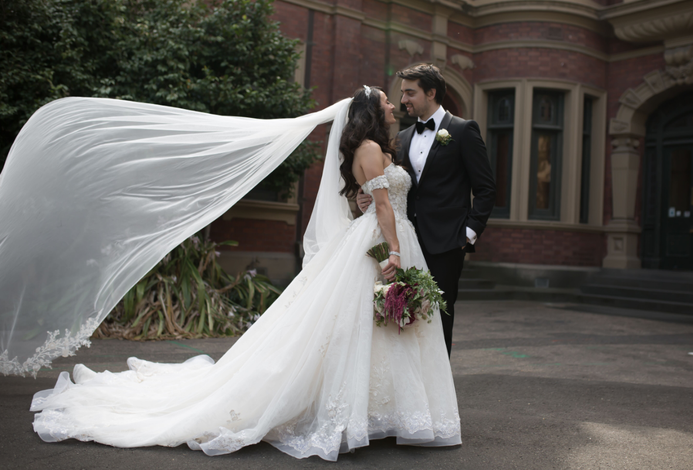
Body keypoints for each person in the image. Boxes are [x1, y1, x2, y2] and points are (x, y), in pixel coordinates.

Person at [26, 86, 460, 461]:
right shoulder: (368, 150)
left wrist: (375, 213)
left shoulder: (383, 149)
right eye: (386, 101)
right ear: (370, 111)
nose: (392, 105)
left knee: (383, 327)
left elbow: (371, 199)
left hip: (391, 235)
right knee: (360, 325)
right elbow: (382, 206)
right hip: (383, 243)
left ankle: (380, 410)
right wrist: (396, 254)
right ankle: (350, 412)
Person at [357, 64, 495, 356]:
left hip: (447, 241)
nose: (404, 100)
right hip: (406, 238)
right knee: (403, 314)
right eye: (403, 94)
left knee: (439, 316)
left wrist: (467, 234)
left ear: (431, 93)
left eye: (410, 93)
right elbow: (392, 183)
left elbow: (485, 188)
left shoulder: (463, 130)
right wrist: (364, 197)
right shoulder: (403, 138)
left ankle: (439, 392)